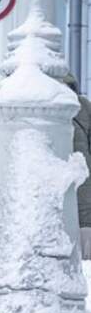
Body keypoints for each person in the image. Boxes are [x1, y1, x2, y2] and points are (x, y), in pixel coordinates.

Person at [63, 73, 91, 260]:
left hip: (82, 172)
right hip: (68, 174)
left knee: (84, 212)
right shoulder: (83, 106)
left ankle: (85, 260)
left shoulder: (84, 107)